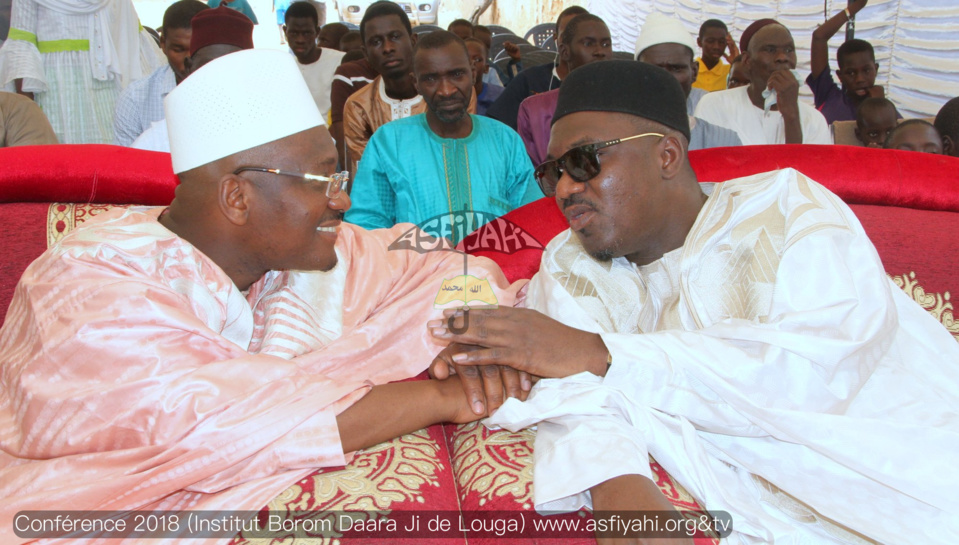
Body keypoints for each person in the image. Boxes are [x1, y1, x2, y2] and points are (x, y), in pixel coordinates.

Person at [429, 60, 959, 544]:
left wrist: (600, 352)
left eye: (583, 161)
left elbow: (817, 368)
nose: (565, 187)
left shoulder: (788, 208)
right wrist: (622, 489)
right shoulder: (569, 262)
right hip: (760, 509)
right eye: (553, 172)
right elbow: (577, 395)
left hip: (913, 463)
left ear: (666, 155)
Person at [0, 48, 521, 539]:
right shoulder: (88, 284)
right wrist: (445, 396)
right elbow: (221, 426)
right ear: (237, 197)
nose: (343, 198)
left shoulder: (298, 255)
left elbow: (437, 255)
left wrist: (468, 333)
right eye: (322, 178)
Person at [345, 31, 540, 241]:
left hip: (498, 271)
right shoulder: (388, 143)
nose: (446, 91)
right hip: (415, 271)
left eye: (457, 74)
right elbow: (366, 227)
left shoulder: (505, 141)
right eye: (431, 79)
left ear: (473, 74)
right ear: (416, 83)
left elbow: (532, 219)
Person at [0, 0, 164, 144]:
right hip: (55, 98)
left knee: (108, 165)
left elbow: (134, 45)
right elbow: (21, 47)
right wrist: (28, 115)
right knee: (60, 168)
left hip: (111, 93)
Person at [342, 1, 475, 175]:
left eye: (395, 37)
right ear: (365, 53)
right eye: (376, 42)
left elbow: (458, 155)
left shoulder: (451, 94)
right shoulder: (358, 106)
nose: (388, 48)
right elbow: (367, 171)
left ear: (413, 41)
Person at [130, 5, 254, 152]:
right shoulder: (156, 143)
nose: (220, 76)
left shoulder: (275, 128)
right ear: (190, 67)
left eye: (231, 65)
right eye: (209, 66)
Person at [695, 19, 831, 145]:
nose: (782, 57)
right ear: (747, 61)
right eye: (770, 50)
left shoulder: (814, 120)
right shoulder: (714, 105)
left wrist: (792, 116)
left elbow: (804, 170)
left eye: (789, 50)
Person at [635, 13, 742, 151]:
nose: (666, 79)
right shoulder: (617, 137)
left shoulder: (725, 141)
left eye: (676, 68)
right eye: (655, 69)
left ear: (694, 72)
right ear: (636, 73)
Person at [516, 13, 612, 166]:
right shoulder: (535, 110)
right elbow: (532, 174)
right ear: (565, 51)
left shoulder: (626, 106)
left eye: (606, 44)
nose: (600, 51)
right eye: (588, 44)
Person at [113, 0, 208, 147]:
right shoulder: (134, 100)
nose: (189, 60)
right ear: (163, 44)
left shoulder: (239, 93)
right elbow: (127, 166)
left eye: (197, 49)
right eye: (179, 50)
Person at [485, 5, 588, 130]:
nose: (574, 41)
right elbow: (497, 126)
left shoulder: (605, 85)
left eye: (585, 39)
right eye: (568, 34)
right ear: (556, 38)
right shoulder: (530, 80)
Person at [807, 0, 883, 124]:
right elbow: (819, 36)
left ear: (876, 69)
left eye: (866, 70)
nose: (860, 79)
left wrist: (879, 105)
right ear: (840, 76)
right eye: (851, 73)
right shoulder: (828, 95)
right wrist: (857, 6)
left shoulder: (884, 105)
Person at [285, 1, 345, 120]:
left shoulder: (340, 62)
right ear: (285, 32)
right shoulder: (283, 67)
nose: (300, 40)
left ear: (317, 32)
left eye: (306, 33)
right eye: (294, 33)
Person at [693, 18, 734, 92]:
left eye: (721, 42)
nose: (716, 47)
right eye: (710, 41)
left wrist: (735, 61)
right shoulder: (690, 70)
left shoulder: (731, 72)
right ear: (699, 42)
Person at [465, 37, 503, 116]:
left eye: (477, 60)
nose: (471, 63)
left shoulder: (500, 96)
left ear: (486, 68)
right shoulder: (449, 96)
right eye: (465, 58)